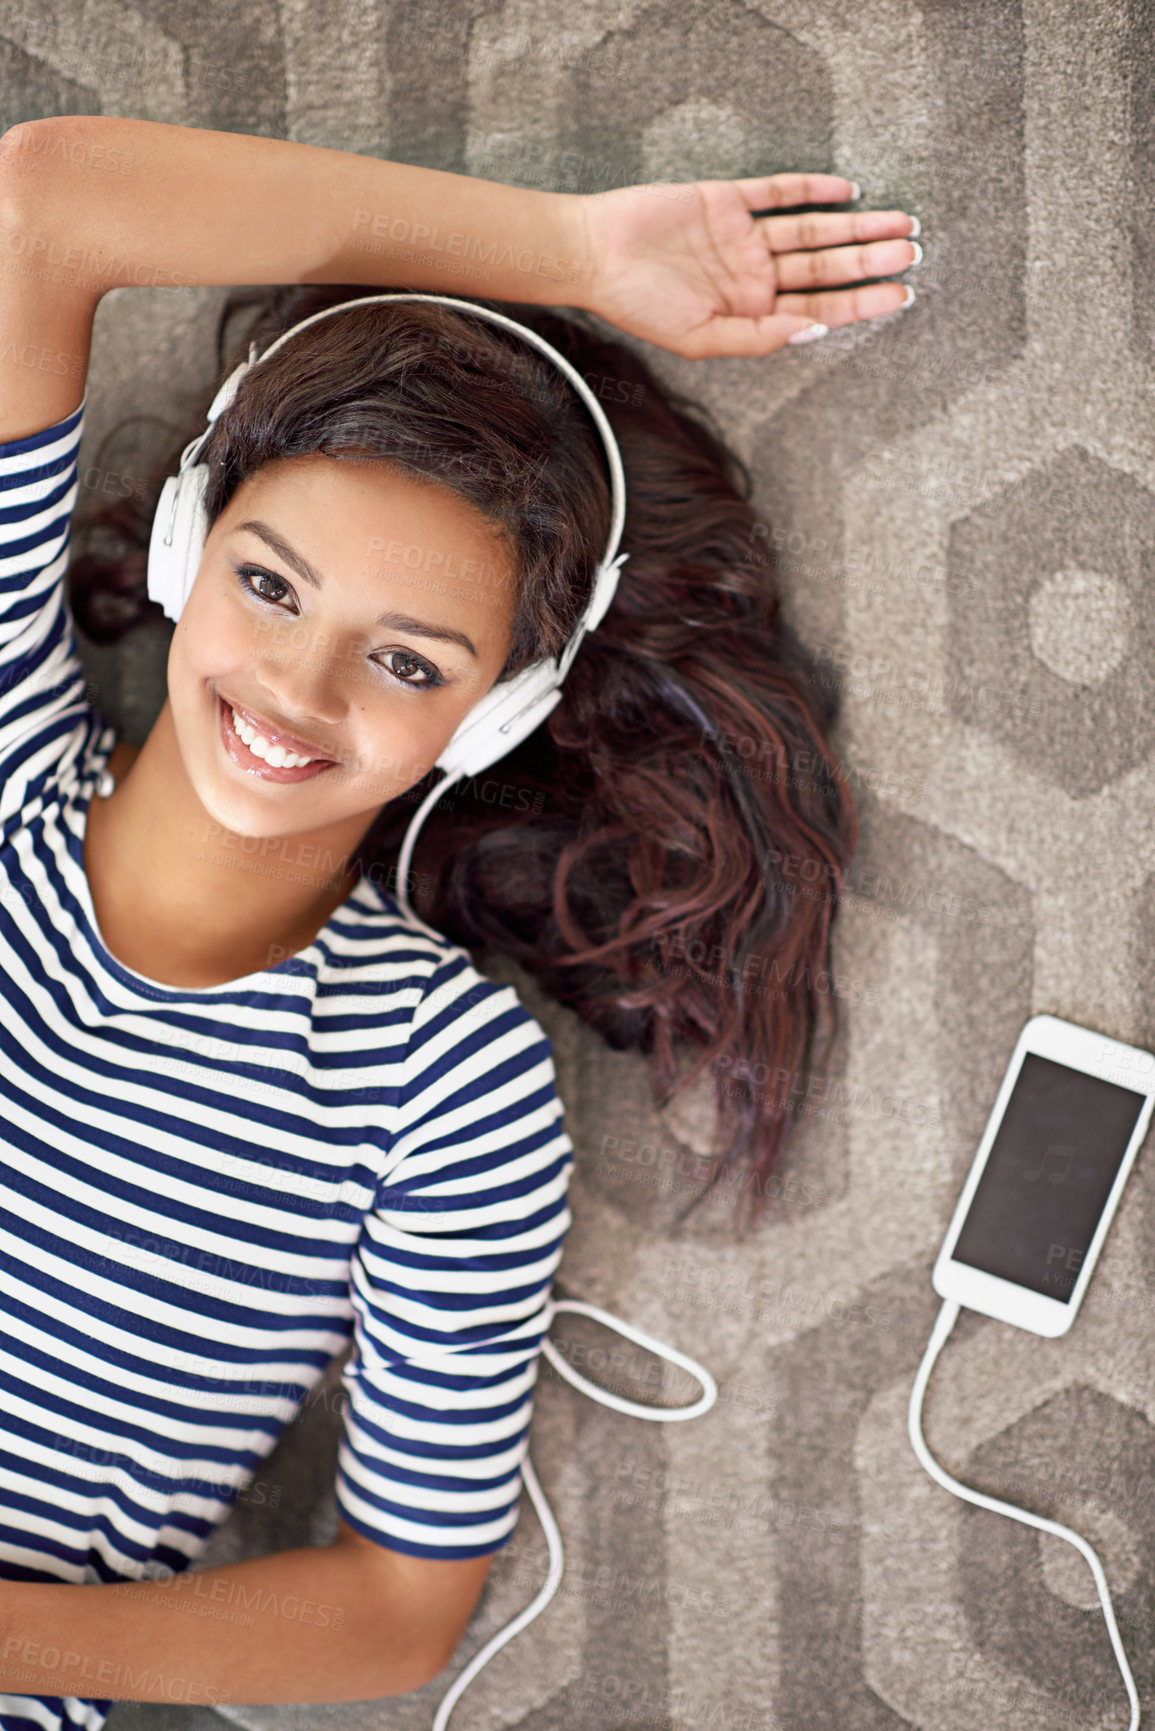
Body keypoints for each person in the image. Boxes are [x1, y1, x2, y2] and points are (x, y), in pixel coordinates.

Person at [0, 113, 918, 1725]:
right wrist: (575, 256)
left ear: (492, 718)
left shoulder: (447, 1083)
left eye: (409, 661)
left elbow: (396, 1606)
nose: (295, 692)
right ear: (187, 549)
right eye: (271, 586)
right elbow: (39, 203)